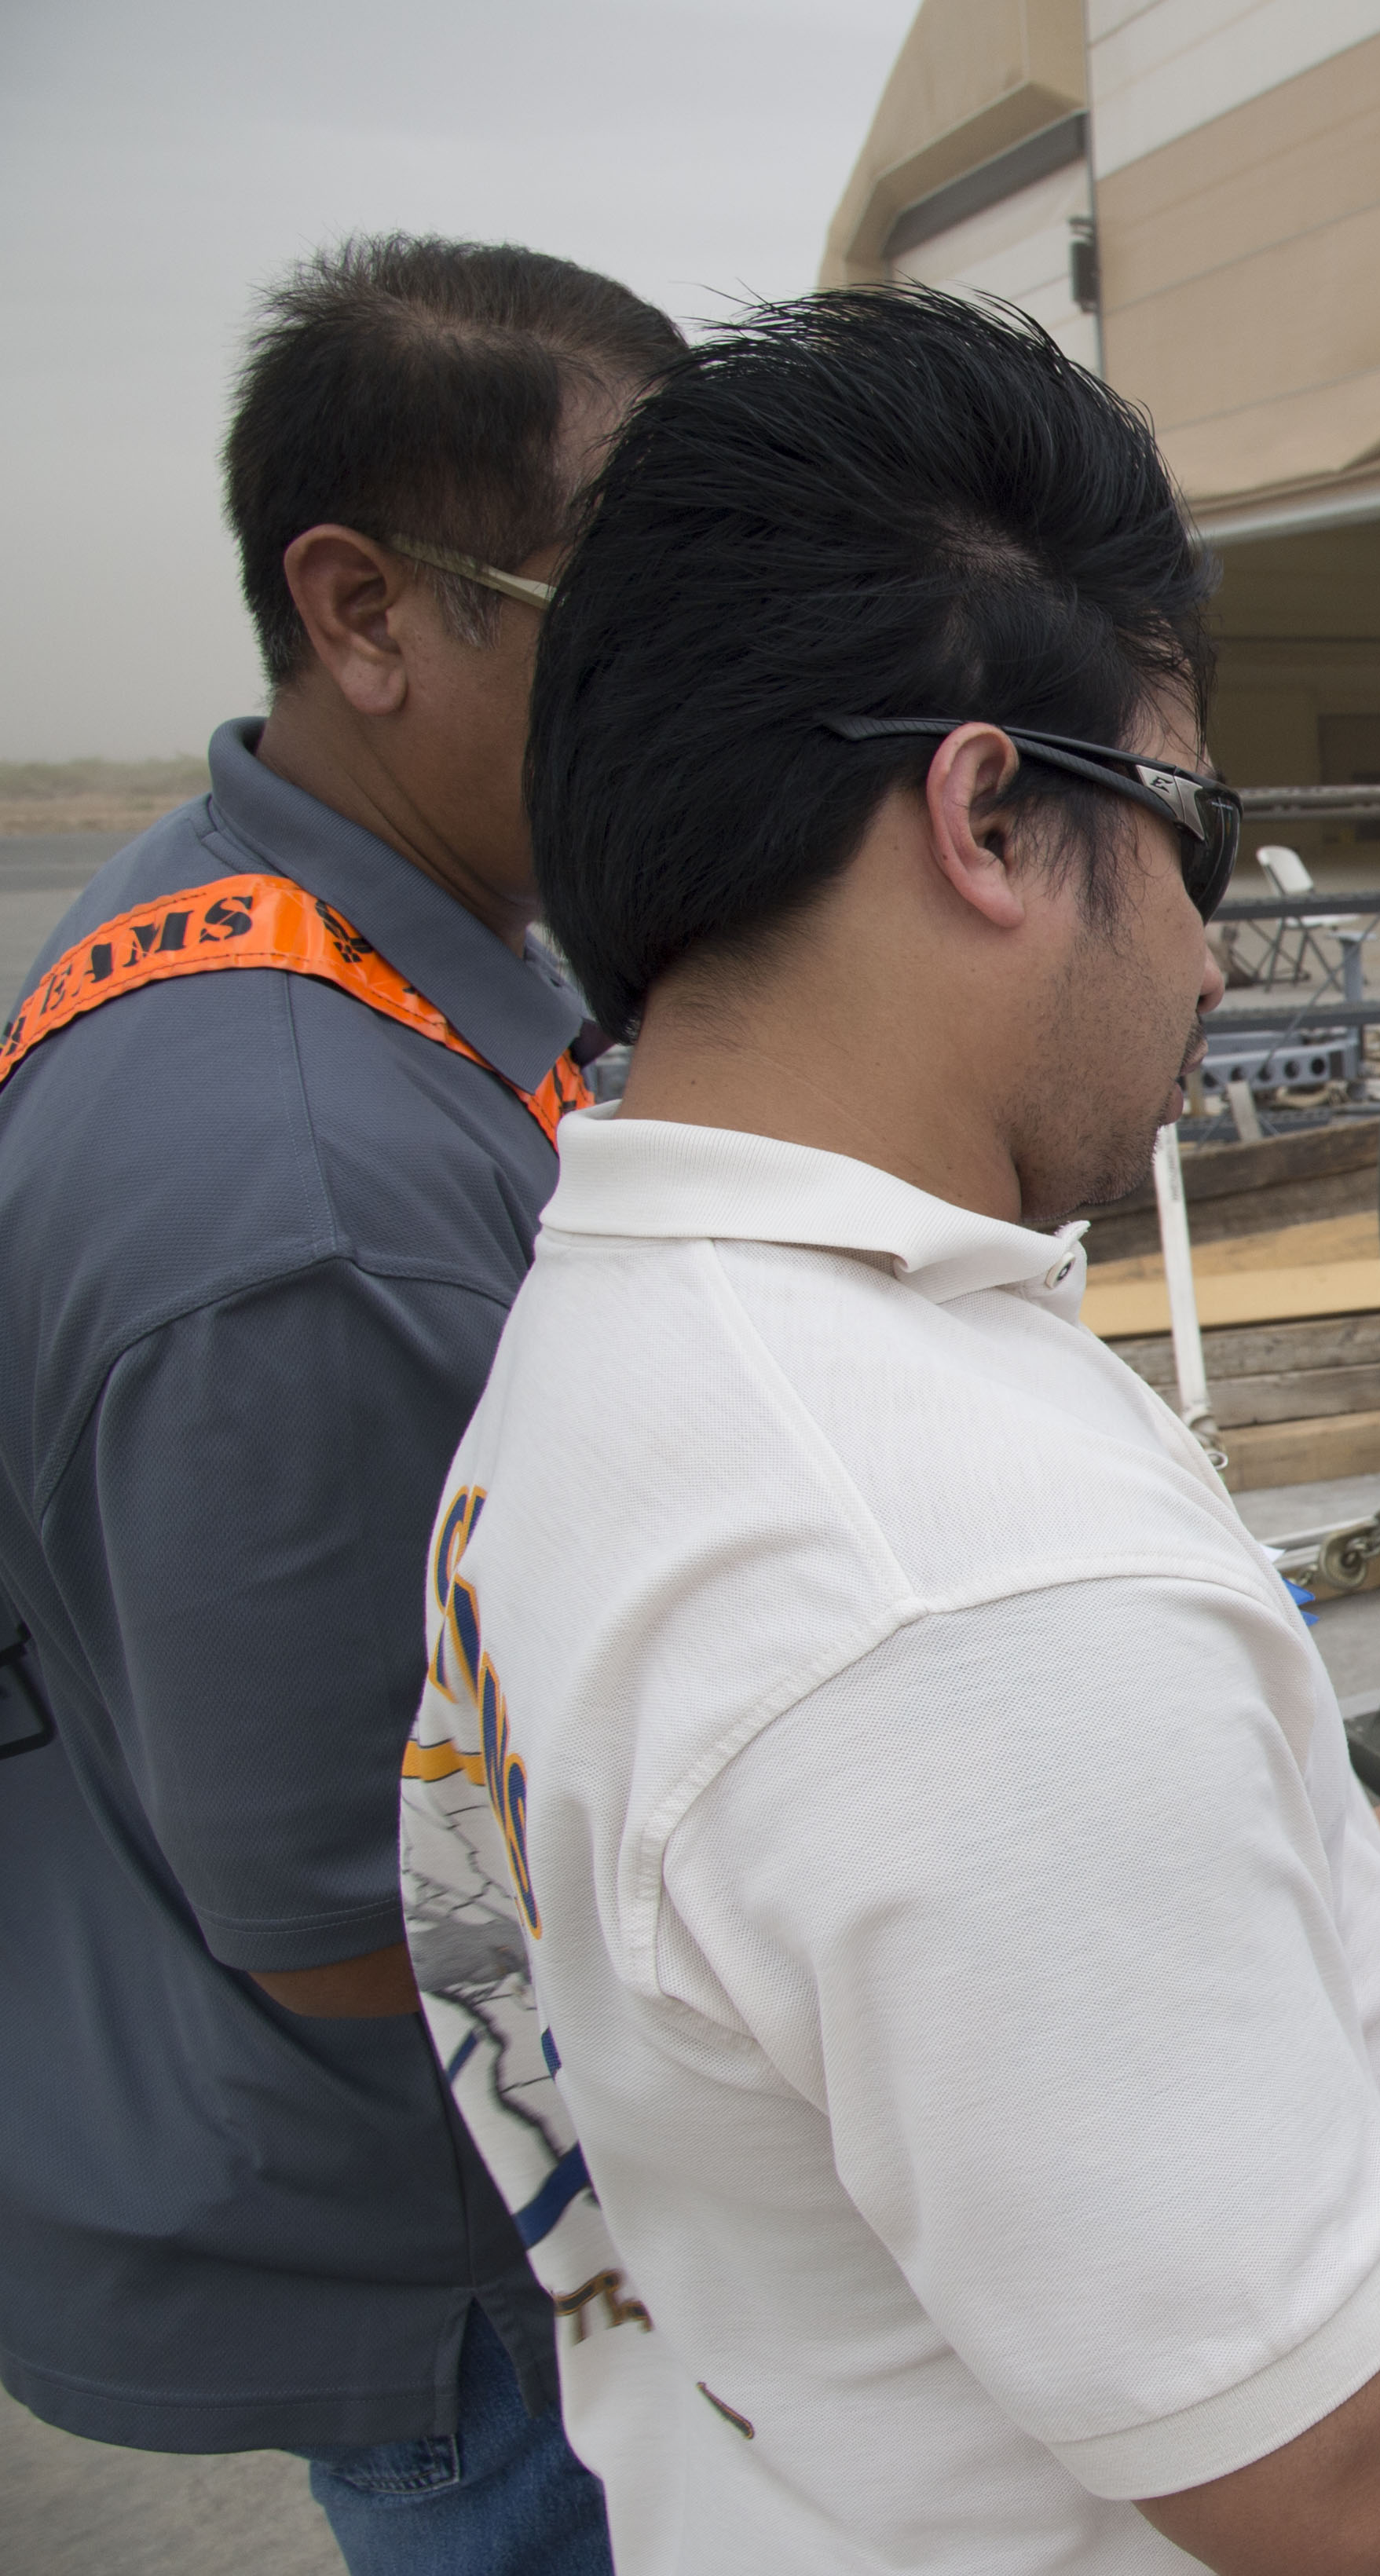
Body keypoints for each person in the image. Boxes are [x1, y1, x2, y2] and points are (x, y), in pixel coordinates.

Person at [393, 286, 1380, 2576]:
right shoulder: (950, 1580)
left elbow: (822, 2000)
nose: (1214, 951)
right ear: (990, 812)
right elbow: (1330, 2463)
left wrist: (1300, 1895)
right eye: (1193, 825)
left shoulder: (624, 1337)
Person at [0, 235, 679, 2571]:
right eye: (635, 603)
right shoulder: (298, 1202)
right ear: (367, 611)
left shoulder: (349, 939)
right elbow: (338, 1910)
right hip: (480, 2271)